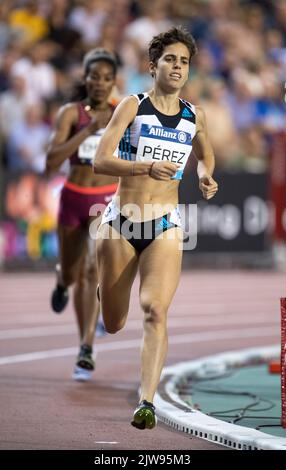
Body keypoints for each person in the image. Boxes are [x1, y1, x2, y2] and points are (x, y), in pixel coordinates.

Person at [93, 27, 218, 429]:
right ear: (153, 66)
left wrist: (204, 175)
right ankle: (104, 290)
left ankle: (146, 401)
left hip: (166, 223)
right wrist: (144, 167)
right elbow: (99, 160)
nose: (178, 67)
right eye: (170, 59)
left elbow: (205, 154)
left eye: (184, 61)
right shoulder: (133, 106)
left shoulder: (193, 114)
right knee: (113, 323)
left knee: (155, 311)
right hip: (121, 221)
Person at [45, 48, 118, 381]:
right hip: (73, 199)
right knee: (73, 274)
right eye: (94, 77)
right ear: (85, 79)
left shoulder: (123, 112)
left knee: (92, 269)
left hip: (104, 199)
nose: (100, 84)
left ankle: (86, 348)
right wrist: (89, 131)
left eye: (107, 78)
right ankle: (61, 281)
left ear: (113, 82)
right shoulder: (71, 113)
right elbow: (51, 161)